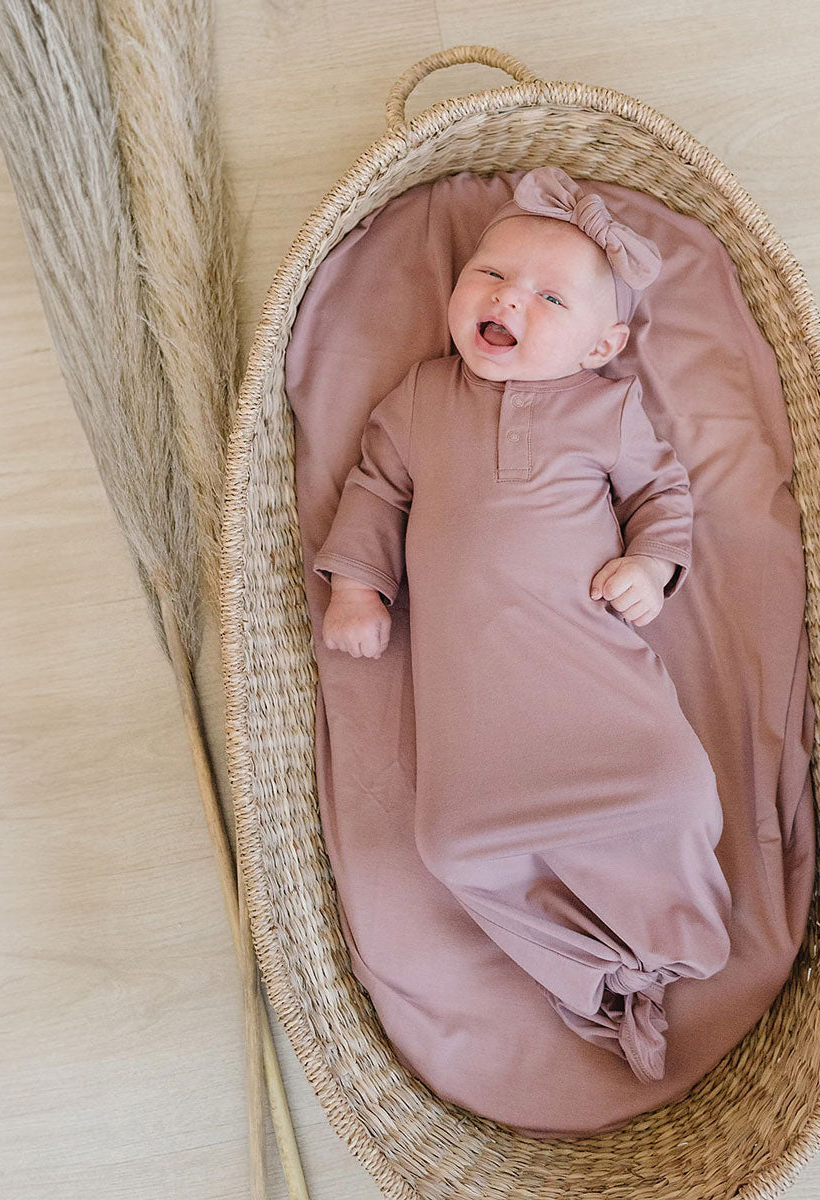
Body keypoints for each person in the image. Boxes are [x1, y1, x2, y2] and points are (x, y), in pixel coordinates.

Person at [313, 166, 733, 1083]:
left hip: (592, 675)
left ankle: (658, 950)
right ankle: (587, 974)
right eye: (491, 275)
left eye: (550, 298)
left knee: (677, 792)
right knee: (453, 845)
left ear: (601, 346)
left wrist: (650, 567)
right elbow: (375, 490)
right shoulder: (420, 397)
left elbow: (662, 495)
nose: (509, 299)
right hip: (477, 711)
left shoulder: (607, 408)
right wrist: (357, 587)